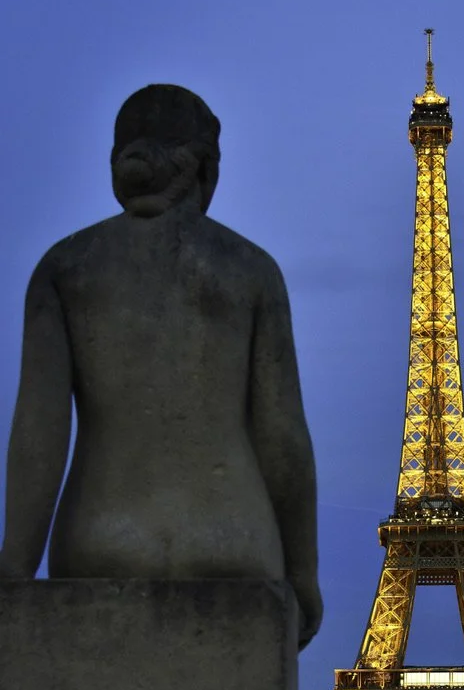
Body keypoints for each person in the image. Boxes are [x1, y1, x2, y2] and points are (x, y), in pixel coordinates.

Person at [0, 84, 322, 649]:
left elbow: (40, 430)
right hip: (234, 536)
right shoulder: (251, 270)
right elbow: (283, 438)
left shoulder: (65, 267)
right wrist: (304, 573)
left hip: (100, 537)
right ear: (204, 168)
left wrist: (15, 566)